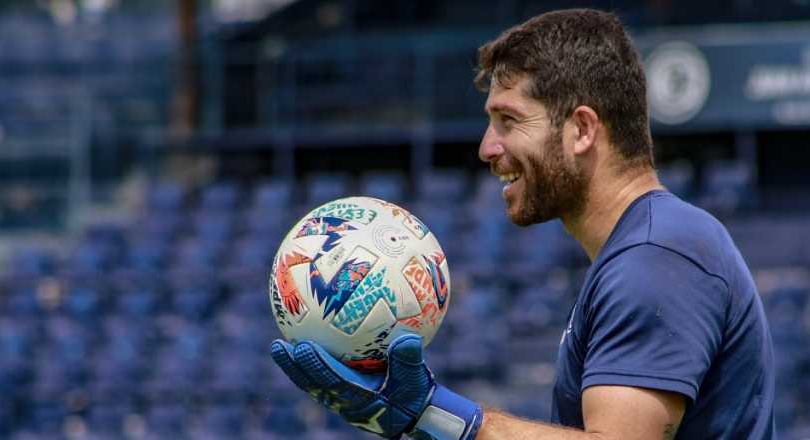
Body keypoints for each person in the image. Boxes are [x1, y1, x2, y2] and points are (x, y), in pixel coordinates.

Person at [270, 8, 775, 440]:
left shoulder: (657, 256)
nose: (487, 148)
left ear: (581, 130)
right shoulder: (646, 247)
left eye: (509, 121)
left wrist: (442, 418)